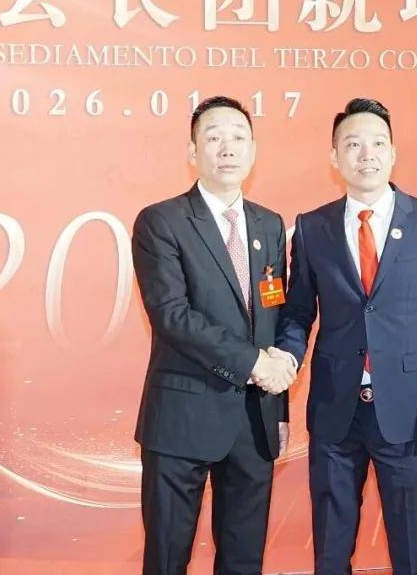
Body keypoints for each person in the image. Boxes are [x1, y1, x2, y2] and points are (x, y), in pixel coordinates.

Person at [276, 97, 417, 575]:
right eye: (353, 144)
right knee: (331, 547)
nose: (367, 154)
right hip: (335, 410)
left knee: (410, 547)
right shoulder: (312, 228)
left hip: (408, 408)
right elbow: (298, 313)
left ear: (393, 152)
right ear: (334, 157)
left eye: (378, 143)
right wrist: (285, 360)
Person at [132, 96, 296, 575]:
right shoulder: (161, 221)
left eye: (239, 137)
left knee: (244, 559)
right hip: (182, 416)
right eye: (214, 137)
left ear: (253, 150)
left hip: (255, 421)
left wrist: (279, 407)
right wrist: (253, 364)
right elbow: (172, 315)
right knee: (167, 558)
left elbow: (273, 315)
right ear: (193, 151)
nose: (228, 148)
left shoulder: (269, 224)